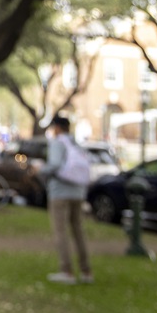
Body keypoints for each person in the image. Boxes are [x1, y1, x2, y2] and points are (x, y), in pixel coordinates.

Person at [40, 115, 93, 285]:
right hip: (78, 192)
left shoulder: (58, 143)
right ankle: (86, 270)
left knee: (60, 231)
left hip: (60, 193)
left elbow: (54, 164)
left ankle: (66, 270)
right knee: (78, 231)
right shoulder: (76, 144)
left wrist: (41, 170)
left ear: (56, 127)